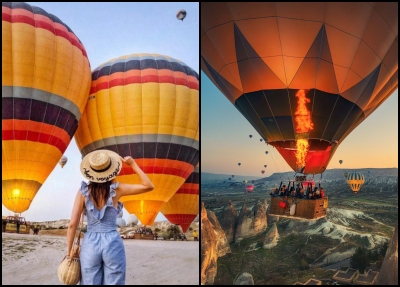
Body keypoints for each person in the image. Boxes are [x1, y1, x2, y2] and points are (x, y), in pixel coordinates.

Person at [66, 150, 154, 285]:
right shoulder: (117, 190)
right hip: (112, 241)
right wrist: (133, 164)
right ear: (111, 171)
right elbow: (148, 186)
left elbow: (72, 223)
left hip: (90, 242)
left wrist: (68, 253)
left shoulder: (83, 192)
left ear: (91, 172)